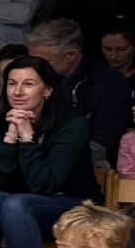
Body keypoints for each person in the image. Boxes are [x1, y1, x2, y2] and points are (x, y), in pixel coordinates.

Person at [0, 55, 102, 248]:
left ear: (48, 90)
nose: (18, 91)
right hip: (17, 207)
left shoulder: (71, 123)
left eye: (28, 84)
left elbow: (45, 185)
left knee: (16, 204)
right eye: (12, 83)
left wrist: (27, 138)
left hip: (74, 205)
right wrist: (10, 138)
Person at [27, 16, 131, 168]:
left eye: (45, 62)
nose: (35, 68)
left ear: (71, 55)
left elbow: (103, 144)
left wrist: (54, 160)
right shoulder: (33, 79)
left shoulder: (111, 84)